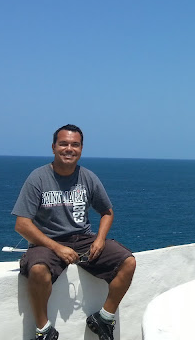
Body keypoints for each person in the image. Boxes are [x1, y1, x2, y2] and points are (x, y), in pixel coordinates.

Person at [12, 124, 137, 340]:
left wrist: (100, 239)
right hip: (47, 242)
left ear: (81, 149)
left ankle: (104, 318)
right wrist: (57, 248)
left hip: (83, 240)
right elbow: (22, 224)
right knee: (38, 269)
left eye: (75, 145)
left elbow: (107, 212)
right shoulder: (38, 178)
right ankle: (43, 330)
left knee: (128, 262)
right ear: (53, 147)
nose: (69, 149)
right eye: (63, 144)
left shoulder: (88, 177)